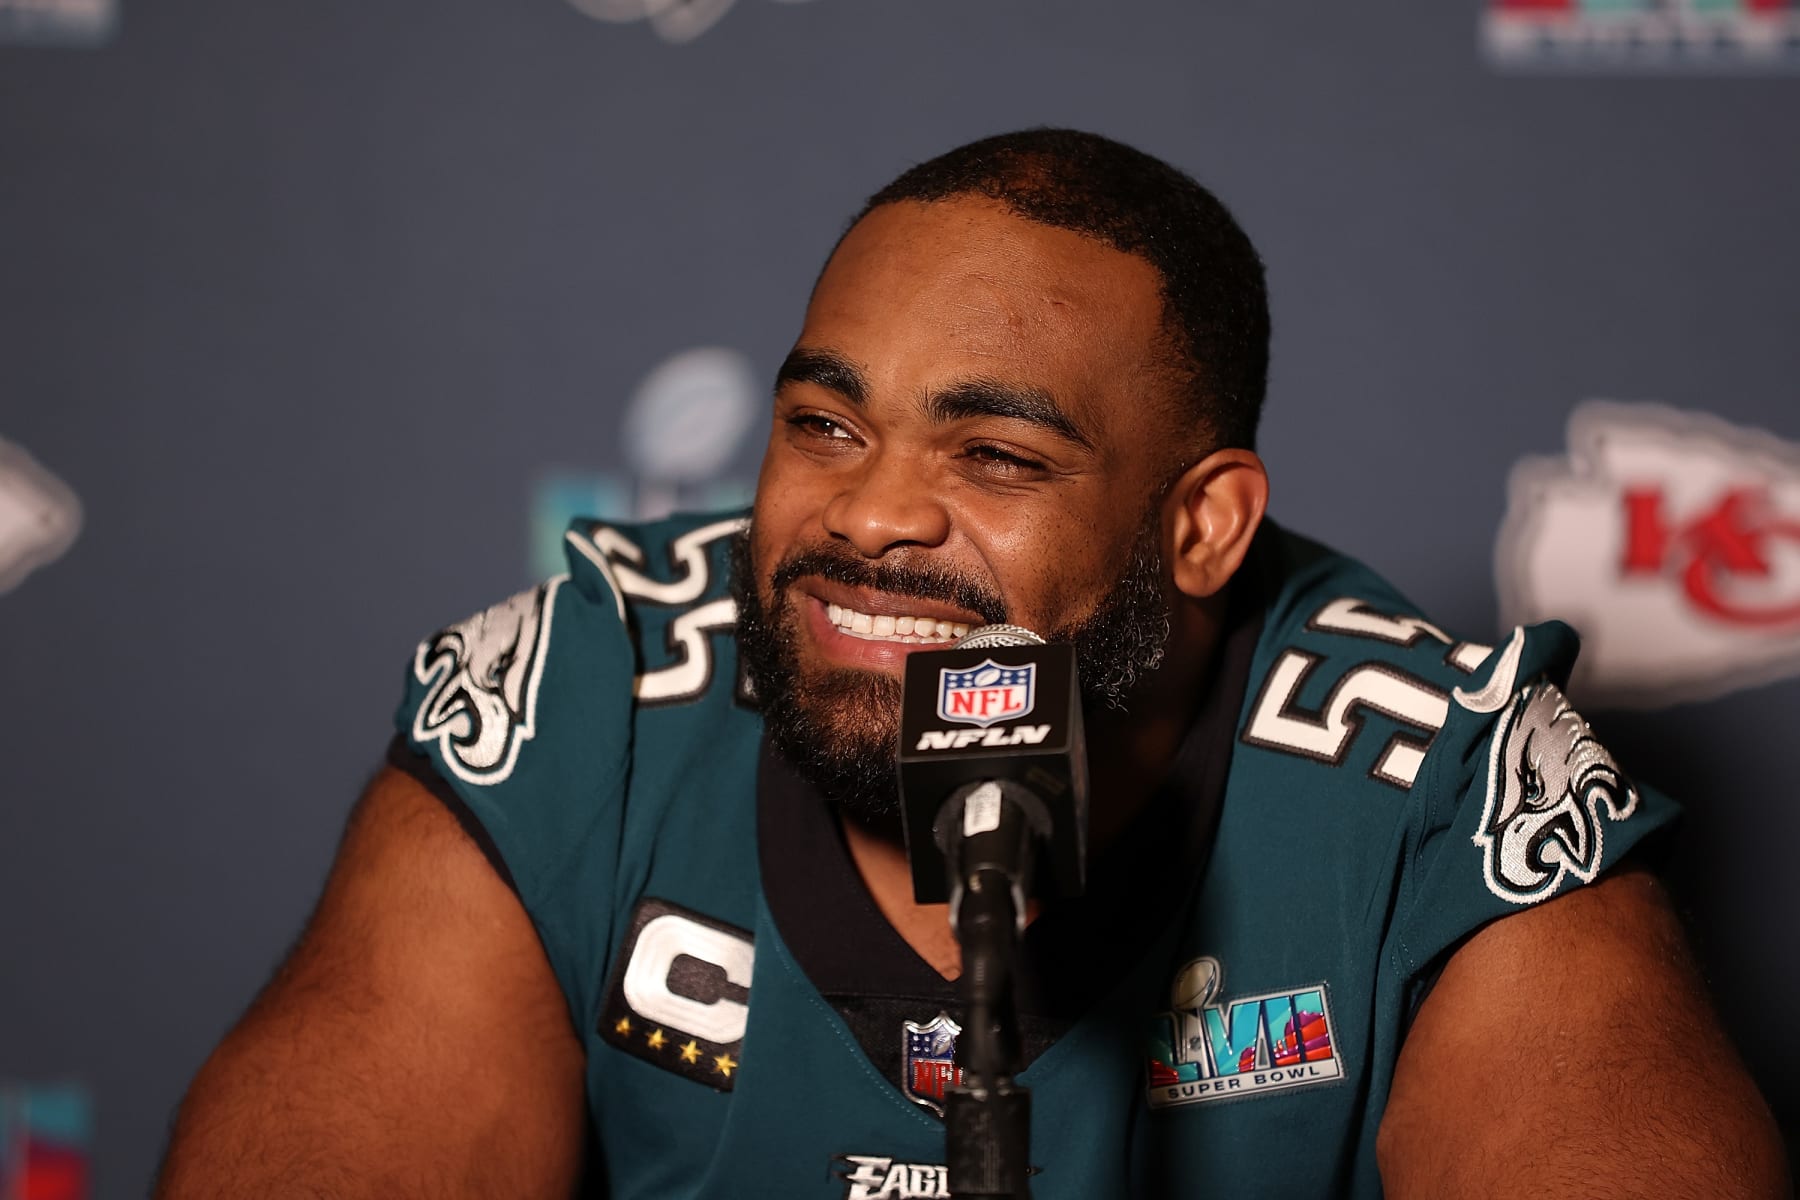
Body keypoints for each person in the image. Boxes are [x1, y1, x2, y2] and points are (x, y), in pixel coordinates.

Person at [155, 129, 1788, 1199]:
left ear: (1204, 526)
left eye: (995, 455)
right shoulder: (579, 702)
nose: (866, 515)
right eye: (823, 425)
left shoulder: (1443, 783)